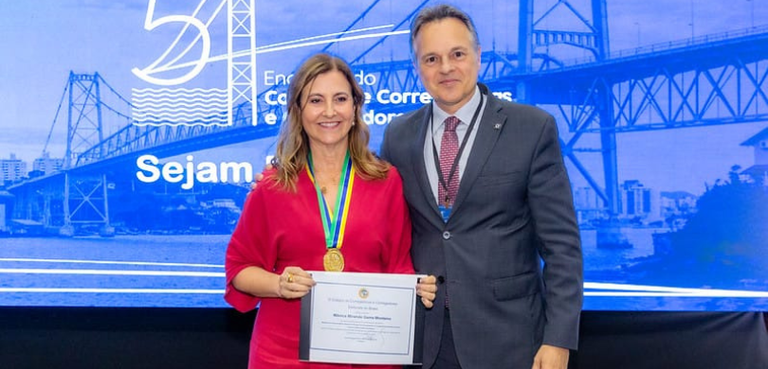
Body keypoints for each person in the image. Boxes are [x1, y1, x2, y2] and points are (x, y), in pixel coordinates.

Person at [379, 4, 583, 369]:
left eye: (457, 54)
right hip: (425, 340)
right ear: (416, 69)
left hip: (510, 339)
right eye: (431, 58)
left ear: (478, 55)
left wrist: (559, 339)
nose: (445, 68)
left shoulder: (532, 128)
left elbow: (562, 246)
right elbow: (371, 209)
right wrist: (289, 176)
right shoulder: (398, 135)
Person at [225, 53, 437, 369]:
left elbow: (398, 266)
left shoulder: (386, 181)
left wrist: (416, 287)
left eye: (340, 99)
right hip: (283, 357)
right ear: (298, 111)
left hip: (369, 356)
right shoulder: (272, 187)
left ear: (355, 108)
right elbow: (239, 271)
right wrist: (279, 285)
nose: (329, 111)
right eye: (315, 100)